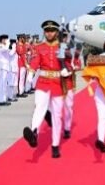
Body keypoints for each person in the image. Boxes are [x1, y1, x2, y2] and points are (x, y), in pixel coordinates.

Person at [23, 20, 70, 159]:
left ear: (56, 32)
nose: (49, 33)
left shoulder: (61, 47)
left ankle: (55, 145)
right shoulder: (39, 47)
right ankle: (34, 133)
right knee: (39, 108)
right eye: (47, 31)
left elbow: (67, 63)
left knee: (57, 115)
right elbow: (35, 61)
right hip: (43, 82)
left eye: (52, 31)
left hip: (57, 83)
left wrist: (66, 71)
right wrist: (31, 73)